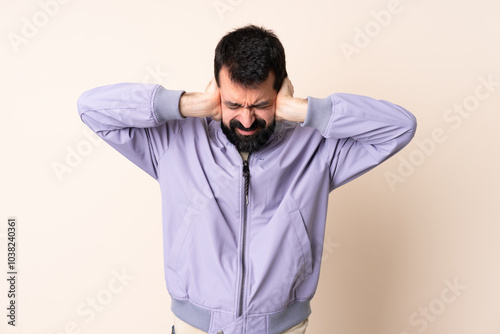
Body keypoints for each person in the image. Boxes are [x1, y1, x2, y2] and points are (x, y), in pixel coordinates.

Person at [77, 25, 417, 334]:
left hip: (283, 328)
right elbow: (91, 108)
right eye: (233, 103)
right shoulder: (173, 142)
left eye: (261, 105)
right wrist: (182, 104)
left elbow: (400, 127)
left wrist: (304, 111)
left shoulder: (317, 149)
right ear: (215, 90)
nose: (246, 119)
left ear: (281, 91)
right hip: (196, 327)